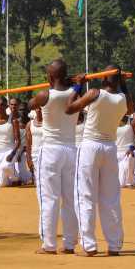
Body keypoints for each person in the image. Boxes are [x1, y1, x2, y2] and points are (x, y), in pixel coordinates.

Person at [66, 66, 132, 257]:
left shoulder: (94, 93)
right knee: (111, 198)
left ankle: (89, 245)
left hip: (90, 147)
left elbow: (69, 108)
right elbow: (131, 107)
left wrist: (78, 87)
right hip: (110, 148)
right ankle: (114, 245)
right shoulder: (123, 99)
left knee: (85, 195)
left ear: (103, 78)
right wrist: (124, 84)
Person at [28, 59, 79, 255]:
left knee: (48, 199)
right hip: (71, 149)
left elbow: (30, 104)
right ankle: (69, 244)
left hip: (50, 151)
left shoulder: (44, 95)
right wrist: (74, 83)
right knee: (69, 199)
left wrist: (51, 85)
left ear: (49, 77)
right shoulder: (76, 93)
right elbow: (71, 92)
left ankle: (49, 244)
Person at [0, 97, 20, 187]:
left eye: (2, 105)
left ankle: (16, 178)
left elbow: (18, 140)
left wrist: (12, 154)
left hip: (10, 150)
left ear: (6, 106)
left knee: (5, 166)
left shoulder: (13, 120)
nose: (0, 106)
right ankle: (11, 179)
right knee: (2, 184)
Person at [116, 115, 135, 188]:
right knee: (121, 184)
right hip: (117, 153)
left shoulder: (132, 121)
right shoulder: (113, 120)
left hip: (130, 151)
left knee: (129, 157)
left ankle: (130, 182)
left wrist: (131, 149)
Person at [26, 106, 43, 180]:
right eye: (37, 108)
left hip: (46, 152)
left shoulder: (49, 122)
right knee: (37, 178)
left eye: (41, 108)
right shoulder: (30, 124)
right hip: (35, 153)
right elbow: (28, 143)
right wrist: (28, 158)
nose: (39, 110)